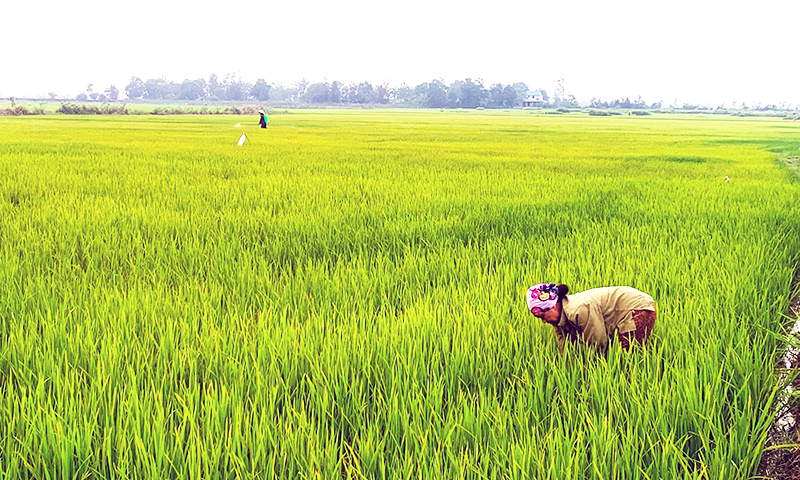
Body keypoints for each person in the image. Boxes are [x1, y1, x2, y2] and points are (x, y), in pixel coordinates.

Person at [526, 283, 656, 353]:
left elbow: (598, 342)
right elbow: (564, 346)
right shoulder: (559, 319)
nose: (543, 321)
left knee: (622, 358)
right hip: (628, 306)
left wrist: (592, 372)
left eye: (542, 316)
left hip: (639, 308)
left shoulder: (578, 310)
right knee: (614, 356)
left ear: (553, 306)